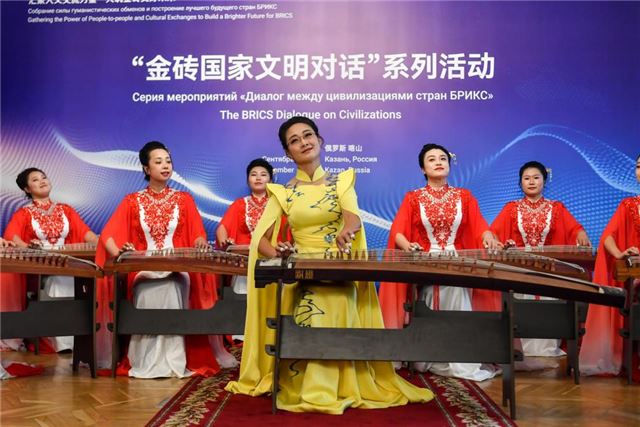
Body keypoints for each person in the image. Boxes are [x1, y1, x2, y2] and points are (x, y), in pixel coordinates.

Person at [225, 117, 433, 413]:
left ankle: (339, 381)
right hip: (300, 271)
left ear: (320, 140)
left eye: (308, 135)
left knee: (337, 297)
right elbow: (262, 240)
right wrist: (280, 255)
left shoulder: (342, 181)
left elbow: (353, 217)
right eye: (294, 140)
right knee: (301, 302)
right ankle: (304, 381)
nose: (303, 142)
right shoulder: (282, 192)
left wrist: (347, 230)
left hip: (337, 267)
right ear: (287, 153)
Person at [95, 141, 234, 377]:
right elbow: (107, 235)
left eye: (168, 161)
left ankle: (174, 359)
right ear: (146, 169)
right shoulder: (132, 201)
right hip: (144, 267)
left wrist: (200, 242)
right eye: (158, 162)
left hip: (177, 266)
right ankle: (144, 359)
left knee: (172, 285)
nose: (165, 166)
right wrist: (120, 252)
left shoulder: (183, 199)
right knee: (146, 287)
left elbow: (198, 233)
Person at [378, 143, 502, 381]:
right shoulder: (413, 198)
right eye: (432, 159)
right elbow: (398, 232)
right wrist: (408, 246)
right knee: (440, 290)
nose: (438, 162)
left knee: (455, 287)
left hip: (457, 261)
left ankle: (457, 356)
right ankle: (432, 354)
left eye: (443, 158)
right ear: (423, 169)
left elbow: (479, 226)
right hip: (426, 260)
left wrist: (489, 237)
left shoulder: (464, 196)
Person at [491, 161, 591, 359]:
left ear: (544, 181)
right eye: (526, 178)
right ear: (520, 183)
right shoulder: (512, 208)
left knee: (550, 301)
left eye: (536, 178)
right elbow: (493, 232)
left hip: (549, 268)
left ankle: (548, 344)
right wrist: (502, 243)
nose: (531, 182)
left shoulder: (556, 207)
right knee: (522, 301)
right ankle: (522, 345)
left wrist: (581, 233)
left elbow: (574, 228)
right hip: (521, 267)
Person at [3, 168, 99, 352]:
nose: (42, 181)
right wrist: (28, 247)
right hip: (43, 266)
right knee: (59, 281)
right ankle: (59, 340)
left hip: (67, 263)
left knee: (77, 278)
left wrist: (102, 243)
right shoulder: (24, 213)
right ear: (26, 189)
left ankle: (80, 338)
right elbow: (12, 236)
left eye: (44, 177)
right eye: (35, 180)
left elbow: (85, 233)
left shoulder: (66, 210)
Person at [580, 154, 640, 381]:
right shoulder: (629, 205)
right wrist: (619, 254)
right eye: (638, 166)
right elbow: (608, 237)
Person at [216, 158, 274, 295]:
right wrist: (226, 244)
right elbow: (223, 227)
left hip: (271, 262)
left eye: (263, 174)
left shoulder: (277, 205)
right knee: (242, 303)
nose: (258, 178)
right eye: (253, 174)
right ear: (248, 180)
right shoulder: (240, 204)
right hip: (244, 262)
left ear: (271, 180)